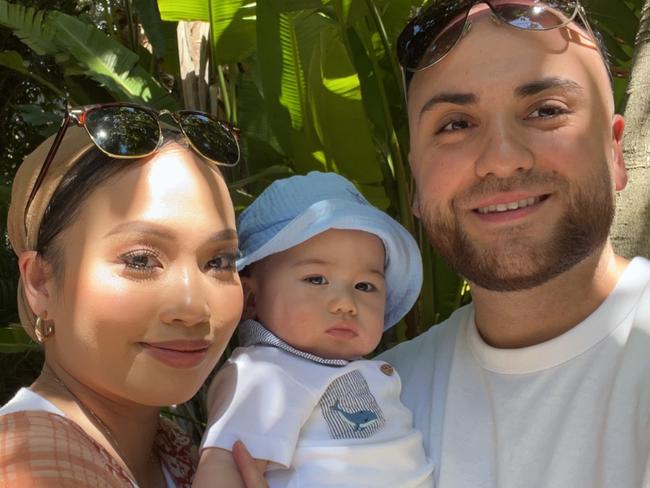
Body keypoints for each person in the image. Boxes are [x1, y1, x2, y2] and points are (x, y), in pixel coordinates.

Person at [380, 1, 650, 487]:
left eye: (546, 111)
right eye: (455, 124)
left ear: (615, 153)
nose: (502, 161)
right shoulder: (374, 404)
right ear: (416, 182)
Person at [0, 104, 263, 487]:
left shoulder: (176, 456)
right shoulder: (27, 465)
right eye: (141, 260)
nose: (193, 309)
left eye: (219, 261)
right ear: (41, 282)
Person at [192, 171, 433, 487]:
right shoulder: (265, 372)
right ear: (251, 298)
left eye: (365, 285)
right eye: (316, 280)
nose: (345, 303)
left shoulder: (365, 371)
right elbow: (224, 463)